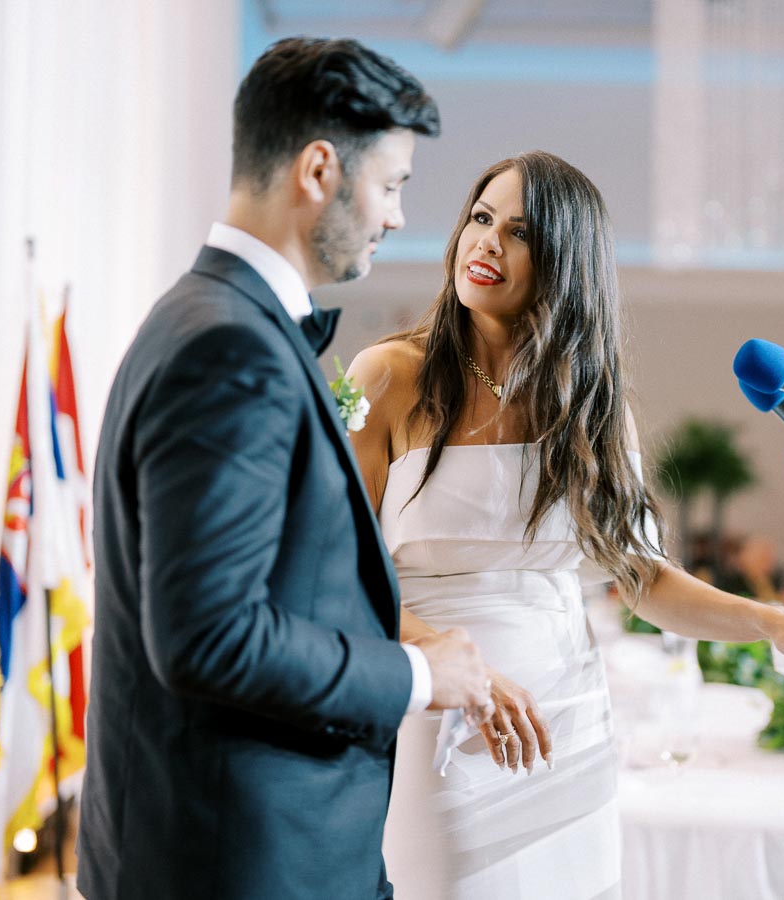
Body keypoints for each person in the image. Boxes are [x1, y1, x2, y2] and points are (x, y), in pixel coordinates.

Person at [345, 151, 784, 899]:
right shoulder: (387, 376)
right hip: (440, 716)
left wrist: (774, 623)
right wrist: (440, 651)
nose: (486, 245)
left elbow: (641, 576)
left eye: (520, 233)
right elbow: (337, 573)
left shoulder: (591, 406)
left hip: (568, 721)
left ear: (565, 262)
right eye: (480, 219)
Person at [77, 38, 493, 900]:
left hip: (243, 842)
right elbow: (210, 635)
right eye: (390, 185)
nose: (397, 217)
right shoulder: (230, 350)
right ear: (318, 171)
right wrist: (421, 675)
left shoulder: (204, 317)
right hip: (241, 857)